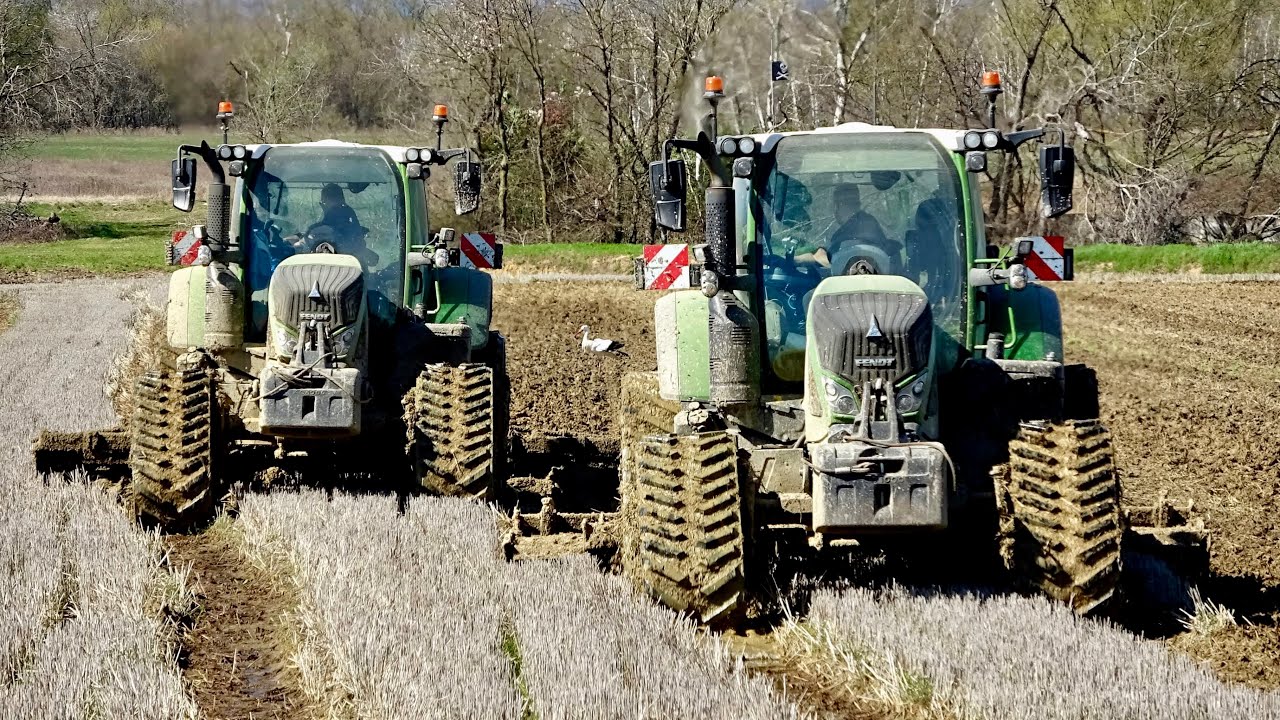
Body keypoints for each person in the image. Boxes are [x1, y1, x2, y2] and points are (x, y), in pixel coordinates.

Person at [796, 184, 897, 271]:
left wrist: (817, 258)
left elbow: (834, 264)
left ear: (837, 205)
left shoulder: (855, 229)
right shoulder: (867, 222)